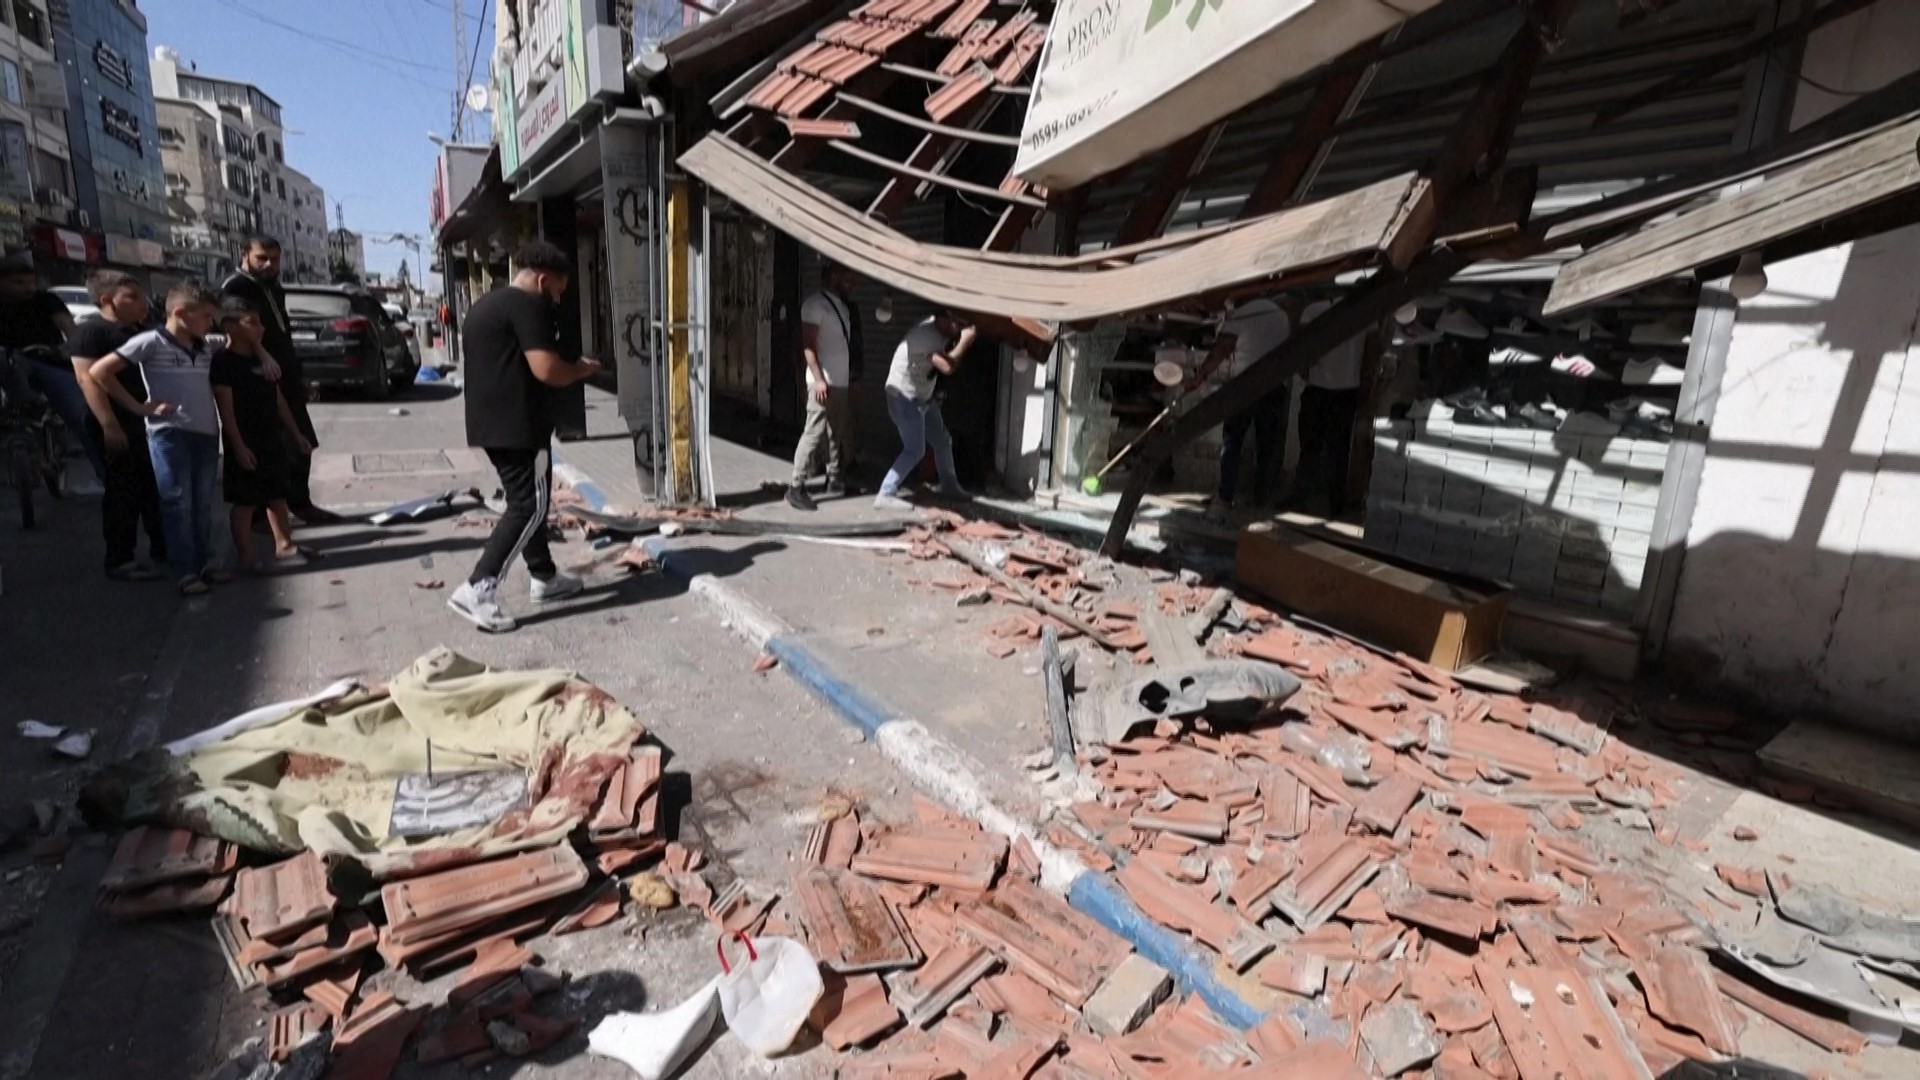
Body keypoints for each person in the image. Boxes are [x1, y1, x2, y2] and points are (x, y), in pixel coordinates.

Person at [447, 241, 601, 633]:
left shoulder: (485, 305)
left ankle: (544, 577)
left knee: (529, 503)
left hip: (492, 424)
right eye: (558, 290)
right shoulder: (527, 306)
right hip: (520, 427)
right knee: (528, 507)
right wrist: (581, 370)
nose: (558, 298)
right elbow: (548, 370)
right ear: (543, 280)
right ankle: (478, 587)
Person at [85, 283, 226, 595]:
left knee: (202, 504)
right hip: (170, 434)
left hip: (206, 434)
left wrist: (261, 353)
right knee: (177, 503)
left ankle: (204, 563)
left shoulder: (206, 344)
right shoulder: (150, 341)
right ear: (180, 313)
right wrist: (139, 407)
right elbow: (99, 372)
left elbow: (238, 336)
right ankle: (185, 571)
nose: (211, 323)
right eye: (206, 316)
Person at [224, 235, 335, 523]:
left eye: (275, 259)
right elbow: (237, 332)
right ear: (245, 254)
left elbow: (282, 334)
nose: (269, 265)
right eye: (262, 258)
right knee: (267, 448)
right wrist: (261, 356)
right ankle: (262, 516)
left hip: (285, 375)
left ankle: (300, 503)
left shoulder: (273, 287)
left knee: (302, 442)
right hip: (256, 376)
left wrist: (297, 375)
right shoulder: (236, 287)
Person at [69, 271, 167, 579]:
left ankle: (164, 549)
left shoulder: (141, 331)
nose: (142, 303)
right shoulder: (92, 332)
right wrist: (109, 425)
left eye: (142, 296)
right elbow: (87, 379)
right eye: (132, 297)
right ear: (107, 300)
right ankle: (120, 559)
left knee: (155, 488)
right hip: (117, 422)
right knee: (124, 492)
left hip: (147, 421)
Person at [210, 296, 311, 574]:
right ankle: (246, 557)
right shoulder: (223, 362)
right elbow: (226, 410)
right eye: (252, 323)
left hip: (271, 438)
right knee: (246, 502)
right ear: (229, 327)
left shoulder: (262, 359)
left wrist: (296, 434)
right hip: (245, 440)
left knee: (277, 494)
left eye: (260, 322)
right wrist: (238, 446)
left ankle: (284, 544)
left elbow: (278, 400)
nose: (261, 328)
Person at [0, 252, 100, 483]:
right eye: (18, 283)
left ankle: (110, 478)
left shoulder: (46, 300)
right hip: (9, 364)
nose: (27, 288)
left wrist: (69, 350)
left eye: (31, 282)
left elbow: (70, 329)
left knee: (83, 418)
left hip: (50, 362)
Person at [874, 311, 973, 511]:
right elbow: (947, 367)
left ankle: (949, 486)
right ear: (942, 319)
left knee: (942, 441)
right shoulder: (924, 337)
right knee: (914, 449)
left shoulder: (937, 327)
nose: (959, 328)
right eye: (956, 323)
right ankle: (885, 493)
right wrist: (965, 341)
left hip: (923, 396)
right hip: (904, 396)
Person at [786, 263, 862, 511]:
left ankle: (835, 479)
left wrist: (850, 379)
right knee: (814, 432)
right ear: (833, 277)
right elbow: (808, 345)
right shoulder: (815, 304)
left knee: (835, 432)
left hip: (839, 381)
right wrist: (818, 379)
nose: (852, 282)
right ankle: (795, 486)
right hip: (822, 382)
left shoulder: (842, 306)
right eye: (846, 277)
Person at [1211, 297, 1292, 512]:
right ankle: (1261, 498)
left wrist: (1199, 376)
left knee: (1232, 441)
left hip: (1244, 385)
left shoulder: (1241, 314)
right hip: (1274, 386)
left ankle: (1225, 496)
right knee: (1267, 446)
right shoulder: (1281, 315)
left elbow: (1221, 349)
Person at [1296, 298, 1367, 519]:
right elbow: (1372, 351)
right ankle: (1335, 505)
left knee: (1310, 448)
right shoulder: (1365, 310)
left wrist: (1304, 369)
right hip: (1347, 389)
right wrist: (1366, 384)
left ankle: (1302, 498)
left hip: (1319, 387)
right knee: (1338, 451)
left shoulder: (1313, 309)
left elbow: (1302, 344)